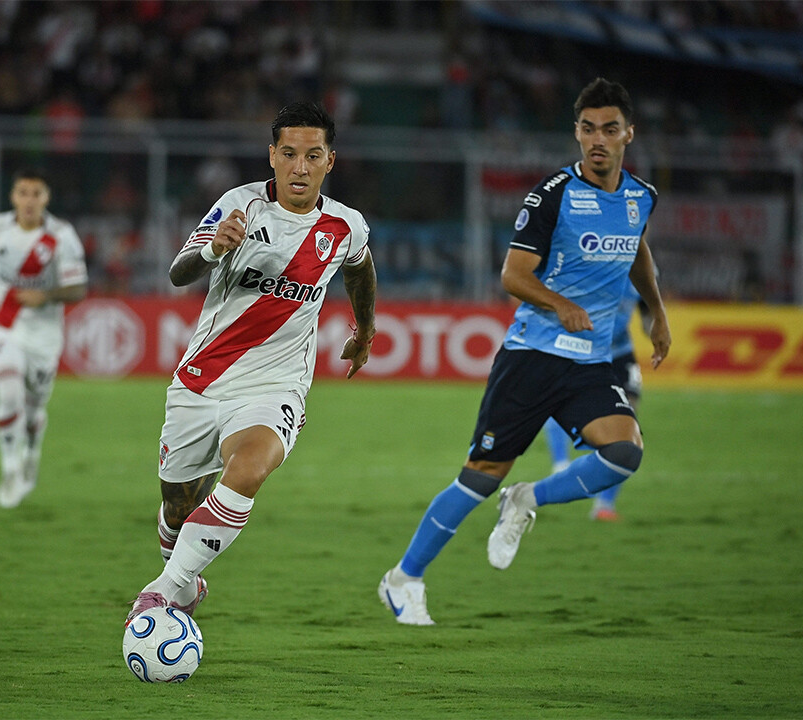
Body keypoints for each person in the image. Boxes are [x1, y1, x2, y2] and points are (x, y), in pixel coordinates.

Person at [379, 78, 671, 626]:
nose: (598, 140)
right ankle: (403, 578)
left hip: (589, 362)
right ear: (577, 133)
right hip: (533, 356)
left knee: (624, 452)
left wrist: (657, 312)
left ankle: (526, 499)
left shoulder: (641, 197)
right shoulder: (553, 194)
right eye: (588, 129)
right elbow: (513, 275)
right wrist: (560, 303)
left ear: (628, 134)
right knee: (480, 475)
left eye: (609, 129)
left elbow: (638, 252)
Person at [125, 101, 378, 624]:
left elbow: (360, 268)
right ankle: (182, 576)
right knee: (178, 507)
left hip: (276, 385)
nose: (300, 167)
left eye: (313, 155)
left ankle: (160, 593)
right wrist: (214, 249)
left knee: (250, 467)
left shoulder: (345, 225)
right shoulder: (239, 205)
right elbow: (178, 272)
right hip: (203, 381)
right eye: (289, 154)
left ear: (330, 160)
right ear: (272, 156)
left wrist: (365, 329)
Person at [0, 168, 88, 509]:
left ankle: (31, 454)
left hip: (44, 334)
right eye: (23, 193)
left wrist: (46, 296)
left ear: (46, 197)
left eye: (36, 193)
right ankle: (11, 470)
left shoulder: (61, 236)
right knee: (9, 390)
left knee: (34, 406)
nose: (29, 200)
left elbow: (78, 288)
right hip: (2, 325)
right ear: (13, 196)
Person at [542, 285, 651, 522]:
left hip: (620, 353)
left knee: (627, 424)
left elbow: (648, 306)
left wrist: (654, 325)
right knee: (557, 400)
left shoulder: (643, 272)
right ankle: (560, 464)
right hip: (580, 348)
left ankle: (604, 506)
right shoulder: (590, 266)